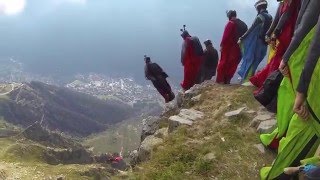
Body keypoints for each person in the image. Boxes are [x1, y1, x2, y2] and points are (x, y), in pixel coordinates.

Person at [260, 13, 320, 180]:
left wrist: (301, 90)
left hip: (315, 89)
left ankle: (283, 173)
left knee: (303, 127)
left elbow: (309, 31)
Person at [249, 0, 301, 88]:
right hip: (283, 35)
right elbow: (276, 20)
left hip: (290, 35)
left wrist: (274, 34)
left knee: (281, 59)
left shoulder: (293, 2)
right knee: (278, 59)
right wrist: (268, 34)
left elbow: (285, 16)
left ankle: (270, 83)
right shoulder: (281, 4)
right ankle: (269, 82)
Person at [237, 0, 273, 82]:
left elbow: (251, 29)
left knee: (252, 59)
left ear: (259, 8)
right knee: (257, 60)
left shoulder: (259, 17)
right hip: (265, 42)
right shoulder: (270, 17)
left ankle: (247, 79)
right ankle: (250, 78)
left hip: (258, 42)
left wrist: (242, 38)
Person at [216, 10, 244, 84]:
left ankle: (220, 80)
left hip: (228, 48)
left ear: (229, 16)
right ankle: (227, 80)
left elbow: (225, 36)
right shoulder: (242, 24)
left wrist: (222, 45)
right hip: (239, 48)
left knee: (223, 63)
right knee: (233, 65)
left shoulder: (230, 23)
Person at [180, 26, 203, 90]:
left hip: (191, 61)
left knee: (188, 74)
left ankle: (186, 86)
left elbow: (183, 53)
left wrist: (182, 62)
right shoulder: (196, 38)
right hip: (199, 60)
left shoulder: (186, 41)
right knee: (196, 73)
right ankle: (195, 84)